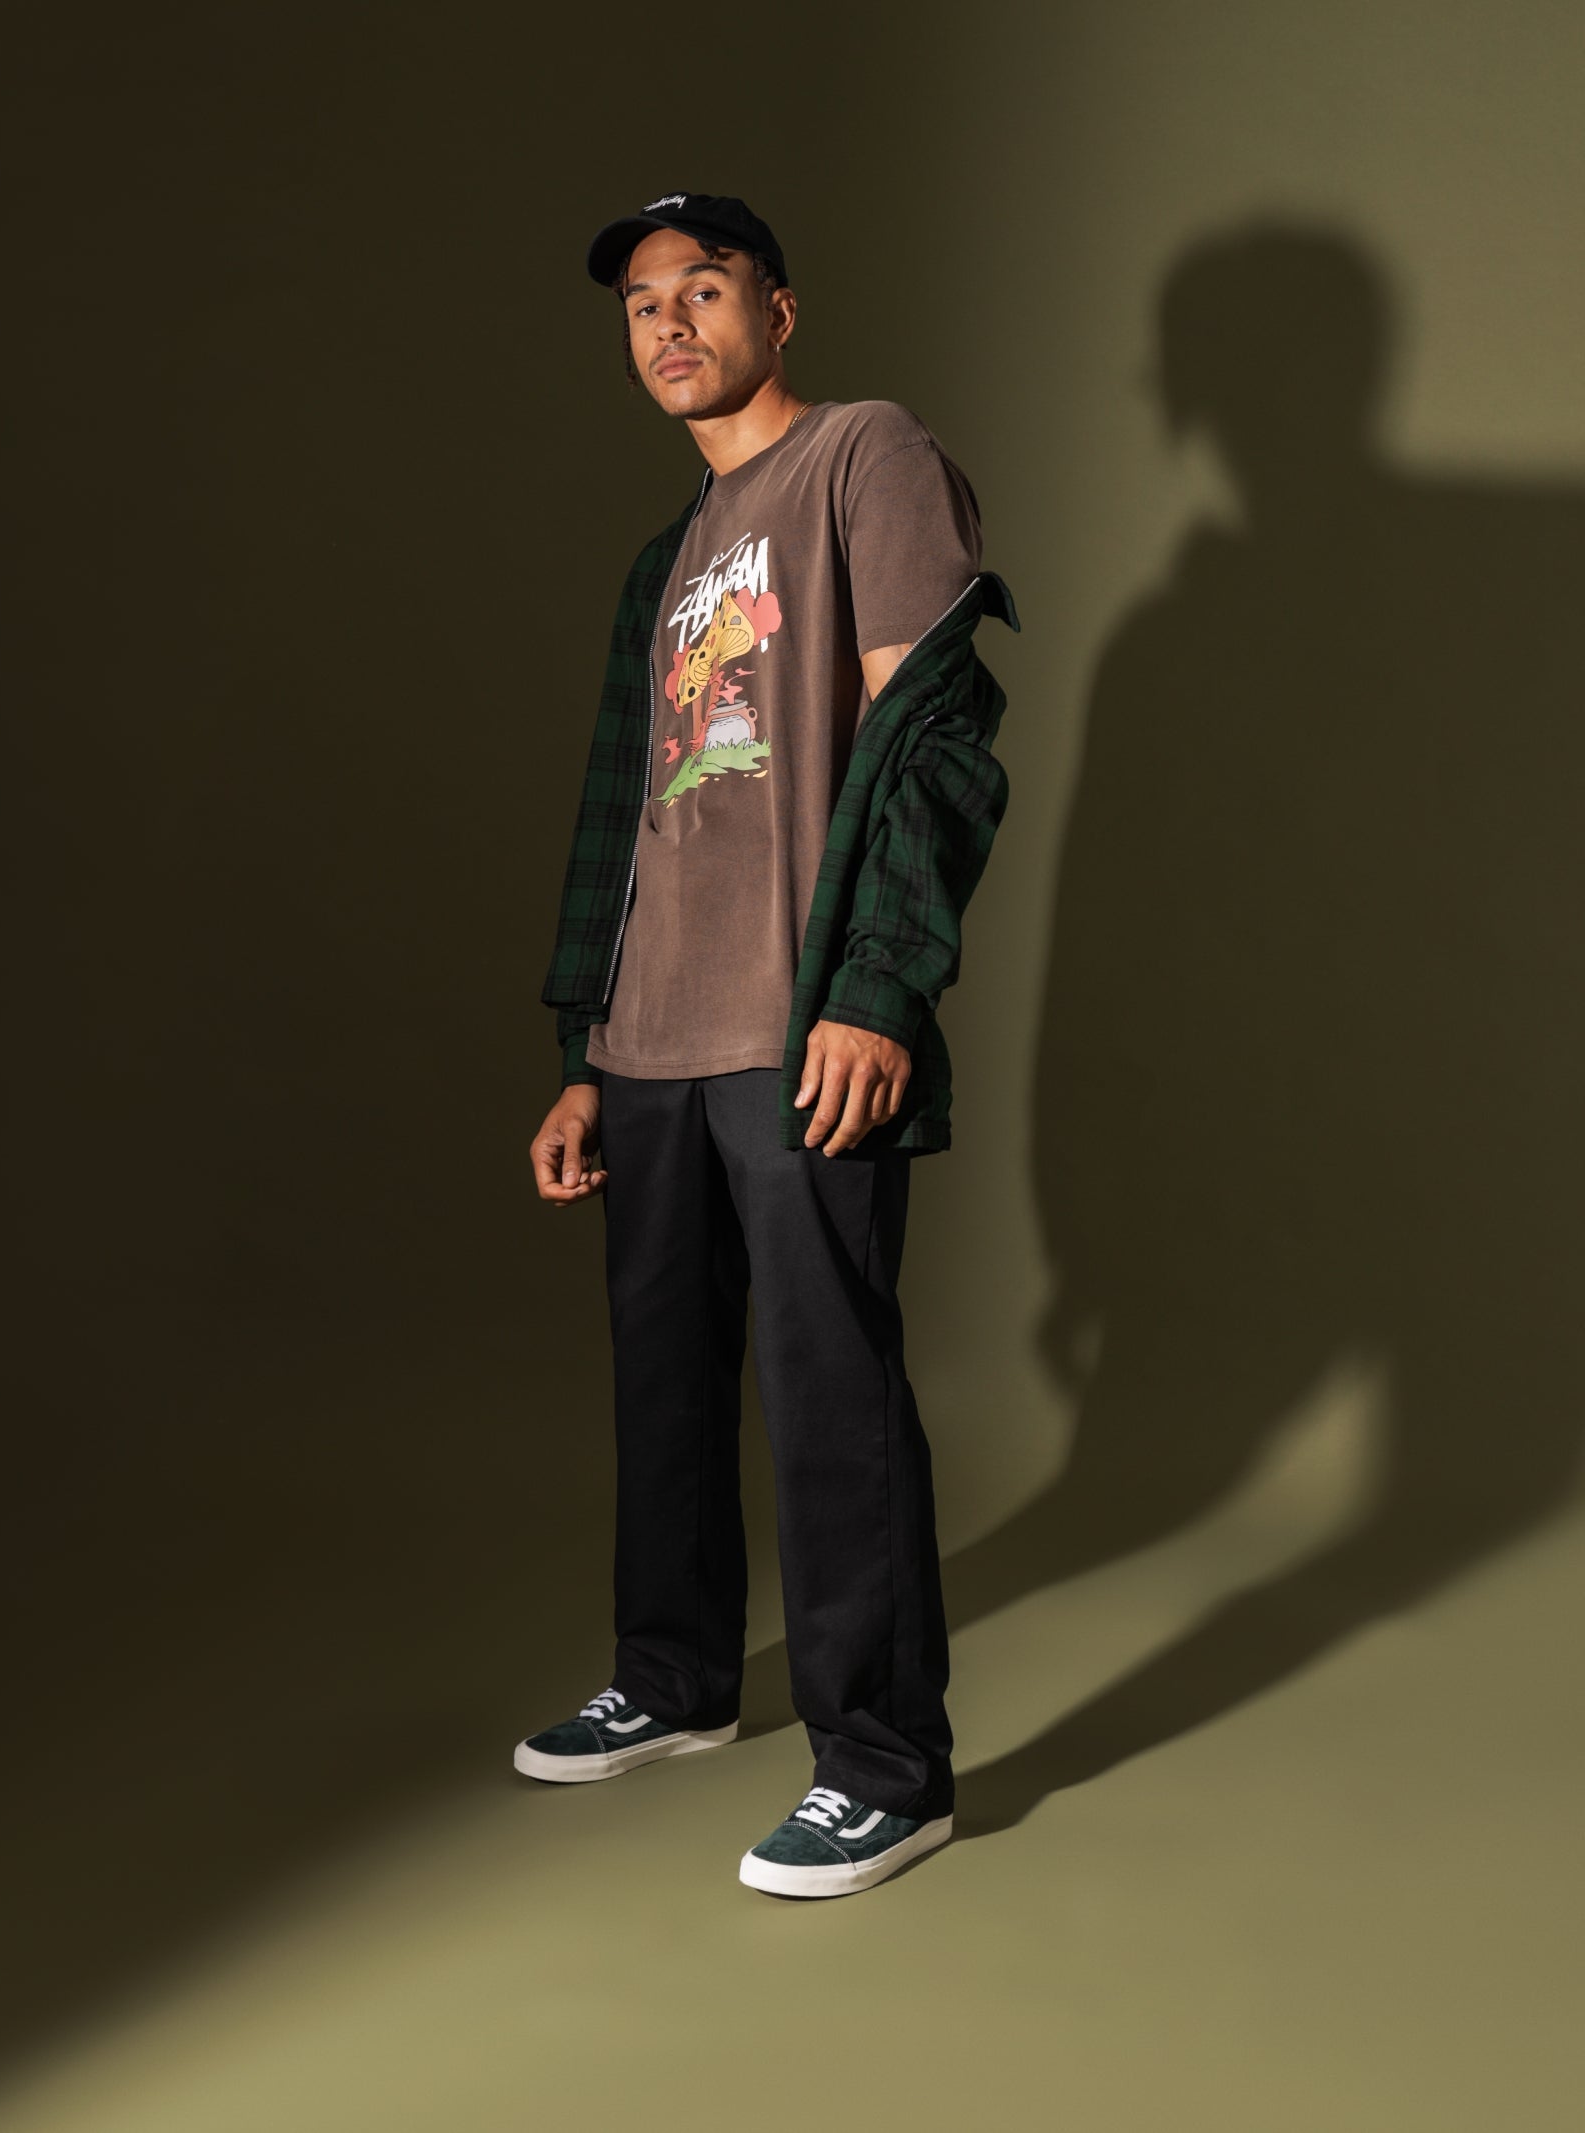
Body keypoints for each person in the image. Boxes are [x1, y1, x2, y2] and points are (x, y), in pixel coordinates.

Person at [520, 192, 1017, 1898]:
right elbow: (625, 817)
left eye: (703, 290)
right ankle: (672, 1678)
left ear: (777, 312)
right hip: (654, 1034)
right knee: (662, 1379)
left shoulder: (867, 457)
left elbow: (933, 735)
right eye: (641, 304)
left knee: (829, 1388)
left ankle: (886, 1766)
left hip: (799, 1019)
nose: (668, 323)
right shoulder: (661, 564)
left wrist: (881, 985)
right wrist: (586, 1044)